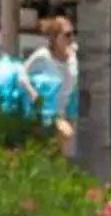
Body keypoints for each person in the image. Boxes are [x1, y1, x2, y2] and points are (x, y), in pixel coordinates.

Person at [24, 12, 79, 156]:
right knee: (64, 139)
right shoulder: (43, 56)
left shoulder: (73, 55)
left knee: (61, 154)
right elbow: (22, 75)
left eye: (73, 34)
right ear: (55, 38)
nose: (71, 39)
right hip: (48, 112)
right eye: (67, 35)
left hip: (67, 112)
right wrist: (32, 93)